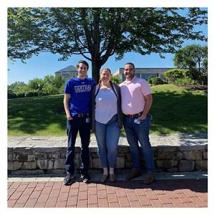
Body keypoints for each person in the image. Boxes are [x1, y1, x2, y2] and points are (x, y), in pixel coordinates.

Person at [119, 62, 155, 184]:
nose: (127, 71)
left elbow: (149, 98)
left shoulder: (141, 82)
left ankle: (150, 172)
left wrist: (144, 115)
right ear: (124, 71)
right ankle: (136, 169)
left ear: (134, 70)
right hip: (127, 120)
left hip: (140, 119)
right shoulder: (121, 86)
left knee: (145, 145)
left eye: (130, 69)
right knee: (133, 146)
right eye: (126, 70)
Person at [63, 60, 96, 186]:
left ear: (87, 69)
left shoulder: (91, 82)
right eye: (80, 67)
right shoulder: (71, 82)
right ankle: (69, 173)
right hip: (73, 118)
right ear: (77, 69)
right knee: (70, 146)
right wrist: (67, 113)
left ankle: (84, 172)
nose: (82, 69)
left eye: (84, 68)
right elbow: (66, 100)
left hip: (85, 119)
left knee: (85, 147)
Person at [92, 68, 122, 183]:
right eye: (103, 74)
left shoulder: (116, 88)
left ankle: (112, 171)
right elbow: (92, 106)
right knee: (101, 148)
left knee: (112, 147)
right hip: (99, 122)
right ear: (100, 75)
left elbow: (121, 104)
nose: (105, 76)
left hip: (113, 122)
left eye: (107, 74)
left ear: (110, 76)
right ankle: (105, 171)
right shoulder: (95, 89)